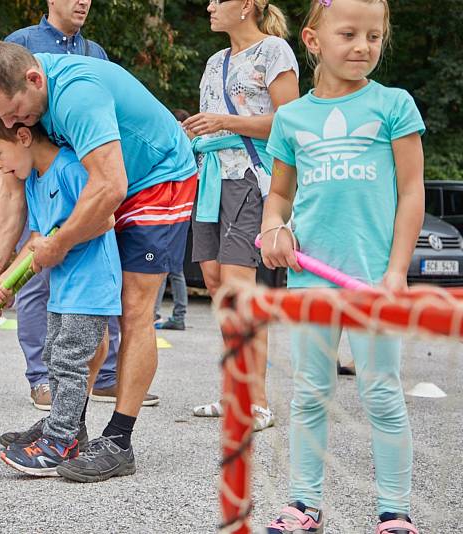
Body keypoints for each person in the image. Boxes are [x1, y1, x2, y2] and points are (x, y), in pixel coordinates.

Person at [0, 42, 196, 482]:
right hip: (109, 182)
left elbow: (110, 187)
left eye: (13, 113)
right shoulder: (16, 107)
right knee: (84, 322)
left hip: (157, 179)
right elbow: (10, 198)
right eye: (2, 119)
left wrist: (58, 244)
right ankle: (67, 426)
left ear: (34, 80)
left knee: (133, 308)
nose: (10, 124)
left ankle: (119, 441)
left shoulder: (77, 96)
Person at [260, 0, 424, 531]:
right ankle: (303, 504)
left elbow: (411, 190)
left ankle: (394, 512)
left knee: (382, 393)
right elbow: (280, 195)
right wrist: (273, 229)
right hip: (311, 278)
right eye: (350, 34)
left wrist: (397, 271)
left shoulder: (393, 105)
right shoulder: (291, 117)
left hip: (375, 278)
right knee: (310, 392)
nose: (363, 47)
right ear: (312, 40)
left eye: (374, 36)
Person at [3, 0, 152, 412]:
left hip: (92, 185)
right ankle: (41, 380)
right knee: (40, 285)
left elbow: (106, 157)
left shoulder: (94, 54)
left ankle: (99, 383)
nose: (82, 1)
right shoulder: (20, 45)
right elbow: (6, 131)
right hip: (45, 184)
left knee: (99, 286)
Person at [0, 114, 121, 476]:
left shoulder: (68, 168)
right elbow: (36, 242)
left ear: (23, 137)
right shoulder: (35, 182)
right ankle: (62, 426)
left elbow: (105, 218)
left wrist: (60, 240)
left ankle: (61, 440)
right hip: (64, 287)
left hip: (90, 286)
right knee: (55, 356)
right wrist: (2, 283)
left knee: (69, 360)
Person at [184, 0, 299, 431]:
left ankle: (259, 402)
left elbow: (290, 121)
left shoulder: (274, 52)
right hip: (210, 177)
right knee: (215, 282)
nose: (210, 6)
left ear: (247, 5)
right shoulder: (215, 61)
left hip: (251, 179)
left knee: (239, 287)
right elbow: (212, 124)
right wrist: (195, 130)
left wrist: (224, 122)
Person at [153, 108, 194, 331]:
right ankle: (168, 314)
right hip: (176, 210)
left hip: (175, 211)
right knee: (170, 267)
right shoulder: (180, 147)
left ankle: (172, 315)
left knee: (170, 266)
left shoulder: (184, 147)